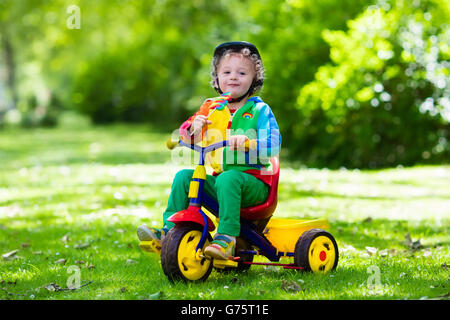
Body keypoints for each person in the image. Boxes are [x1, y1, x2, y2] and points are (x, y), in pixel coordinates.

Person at [137, 41, 281, 260]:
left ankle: (227, 238)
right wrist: (193, 129)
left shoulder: (259, 110)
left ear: (254, 78)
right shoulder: (211, 107)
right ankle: (169, 231)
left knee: (229, 179)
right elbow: (186, 130)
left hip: (254, 184)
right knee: (185, 177)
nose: (233, 77)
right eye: (227, 72)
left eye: (242, 72)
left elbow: (273, 144)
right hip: (222, 180)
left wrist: (248, 142)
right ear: (217, 78)